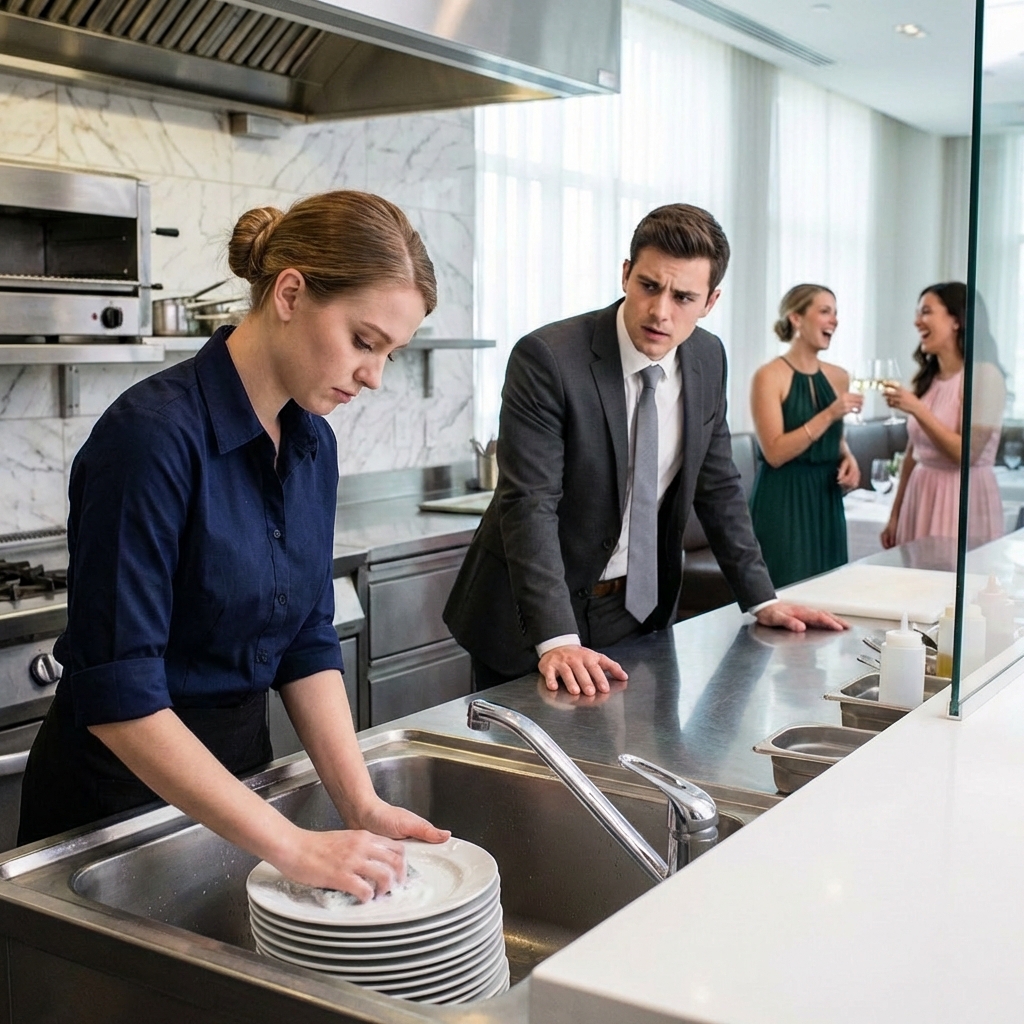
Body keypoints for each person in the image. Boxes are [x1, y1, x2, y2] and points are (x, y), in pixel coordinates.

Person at [18, 191, 450, 901]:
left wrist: (360, 803)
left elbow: (307, 640)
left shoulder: (312, 443)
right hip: (115, 821)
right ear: (289, 292)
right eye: (365, 342)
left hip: (241, 800)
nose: (375, 376)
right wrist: (293, 847)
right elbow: (121, 696)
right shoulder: (150, 439)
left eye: (390, 354)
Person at [444, 204, 847, 698]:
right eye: (649, 286)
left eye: (683, 297)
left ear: (710, 301)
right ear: (625, 274)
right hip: (530, 620)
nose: (661, 312)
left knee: (631, 768)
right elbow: (529, 505)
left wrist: (761, 599)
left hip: (637, 613)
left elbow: (718, 485)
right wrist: (557, 638)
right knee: (527, 773)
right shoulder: (549, 358)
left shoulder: (707, 357)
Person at [748, 285, 862, 588]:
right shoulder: (768, 376)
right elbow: (774, 452)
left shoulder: (839, 376)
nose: (834, 320)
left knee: (832, 593)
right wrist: (830, 412)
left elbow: (835, 437)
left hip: (826, 497)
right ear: (796, 318)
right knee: (787, 595)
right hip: (783, 499)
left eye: (836, 312)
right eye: (825, 311)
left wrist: (847, 457)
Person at [881, 282, 1004, 549]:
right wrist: (895, 514)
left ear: (956, 320)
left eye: (926, 312)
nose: (917, 322)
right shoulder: (928, 379)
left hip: (961, 497)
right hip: (921, 494)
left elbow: (967, 455)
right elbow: (912, 455)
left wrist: (917, 409)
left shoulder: (985, 376)